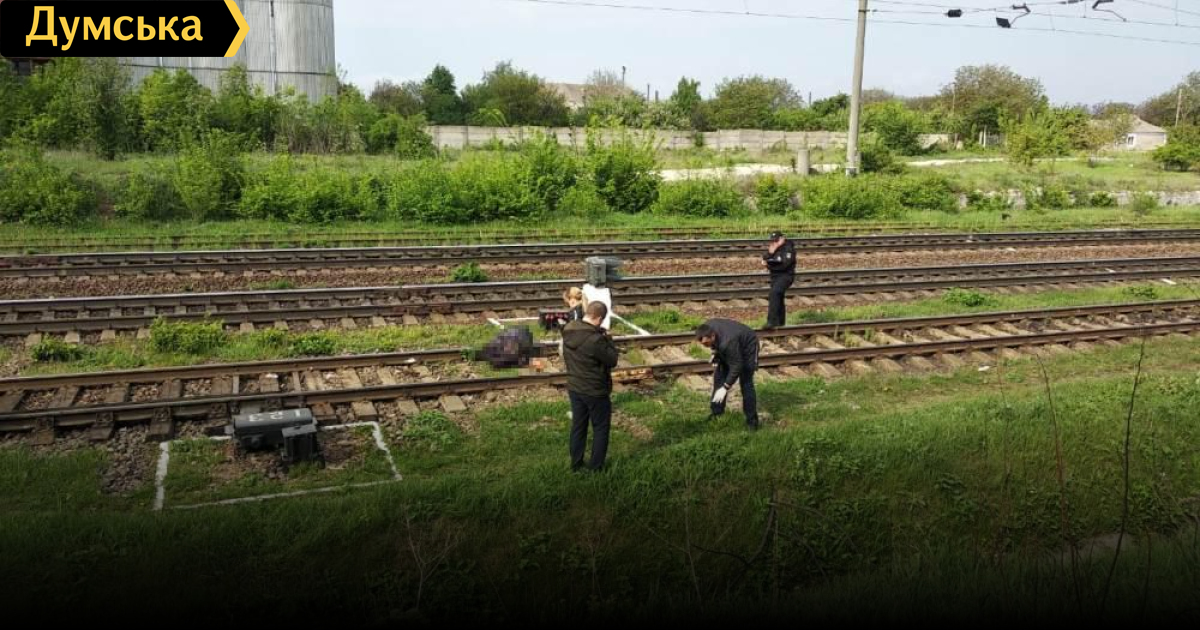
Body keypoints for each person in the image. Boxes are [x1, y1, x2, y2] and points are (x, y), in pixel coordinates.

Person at [562, 301, 619, 472]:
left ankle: (576, 464)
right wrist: (608, 339)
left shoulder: (569, 329)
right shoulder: (596, 340)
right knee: (600, 428)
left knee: (578, 426)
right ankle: (596, 468)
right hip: (595, 390)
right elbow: (612, 360)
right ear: (599, 318)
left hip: (575, 386)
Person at [695, 318, 761, 430]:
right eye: (702, 344)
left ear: (713, 336)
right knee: (719, 379)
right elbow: (716, 345)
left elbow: (737, 366)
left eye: (706, 343)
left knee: (746, 383)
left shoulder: (728, 342)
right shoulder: (707, 327)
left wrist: (725, 387)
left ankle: (752, 421)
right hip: (731, 344)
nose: (705, 345)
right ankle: (717, 413)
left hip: (748, 346)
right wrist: (715, 353)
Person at [761, 231, 797, 330]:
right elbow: (764, 258)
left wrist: (768, 266)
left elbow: (784, 265)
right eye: (773, 241)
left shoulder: (788, 249)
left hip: (786, 276)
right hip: (775, 277)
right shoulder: (774, 247)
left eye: (776, 240)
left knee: (774, 293)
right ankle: (781, 323)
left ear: (782, 238)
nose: (774, 243)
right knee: (779, 297)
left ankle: (772, 322)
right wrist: (770, 253)